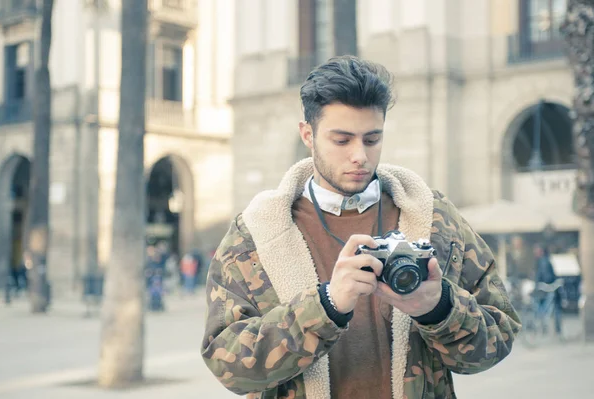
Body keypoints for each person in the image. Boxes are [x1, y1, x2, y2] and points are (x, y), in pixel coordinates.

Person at [201, 56, 521, 399]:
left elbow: (499, 338)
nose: (360, 156)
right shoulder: (255, 234)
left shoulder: (436, 219)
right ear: (307, 135)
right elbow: (229, 368)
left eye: (372, 139)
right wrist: (325, 305)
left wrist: (439, 308)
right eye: (342, 140)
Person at [534, 244, 563, 335]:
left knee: (545, 307)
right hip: (548, 287)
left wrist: (539, 283)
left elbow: (545, 275)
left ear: (541, 251)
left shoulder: (543, 261)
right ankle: (556, 330)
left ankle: (545, 328)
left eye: (537, 251)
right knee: (550, 308)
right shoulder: (546, 260)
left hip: (546, 287)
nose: (535, 253)